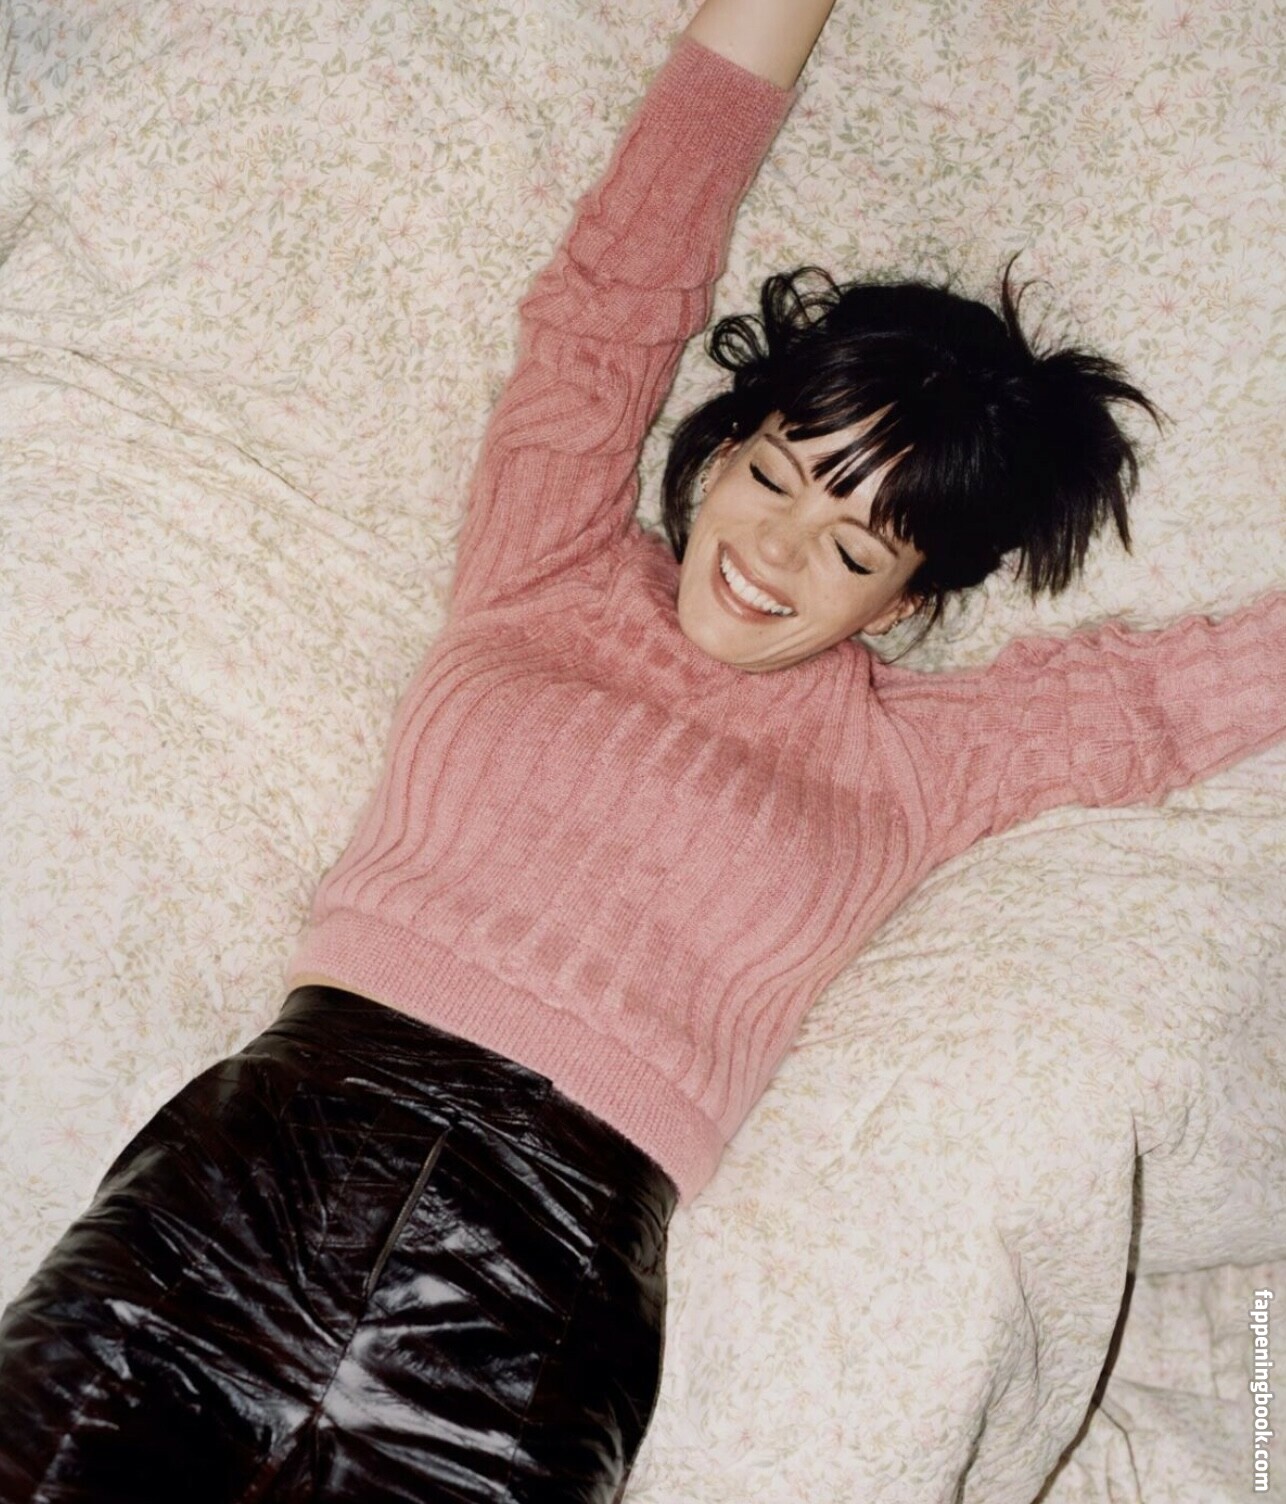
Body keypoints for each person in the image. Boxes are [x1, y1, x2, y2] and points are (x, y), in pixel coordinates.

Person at [1, 0, 1284, 1500]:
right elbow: (624, 282)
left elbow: (1169, 698)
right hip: (249, 1186)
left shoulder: (922, 760)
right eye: (778, 476)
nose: (778, 552)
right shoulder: (545, 554)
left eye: (854, 546)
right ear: (721, 447)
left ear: (904, 600)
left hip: (536, 1295)